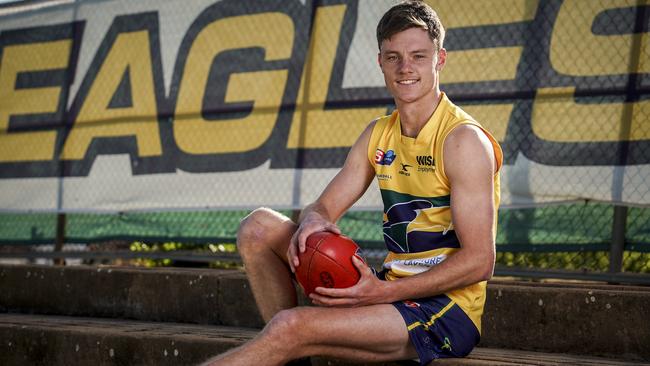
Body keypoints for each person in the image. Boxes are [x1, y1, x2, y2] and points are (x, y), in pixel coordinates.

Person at [202, 1, 502, 365]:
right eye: (393, 57)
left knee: (289, 326)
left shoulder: (463, 140)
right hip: (388, 289)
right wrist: (314, 218)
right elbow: (324, 207)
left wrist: (378, 293)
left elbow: (480, 262)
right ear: (380, 62)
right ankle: (286, 353)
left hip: (446, 311)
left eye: (418, 56)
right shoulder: (379, 133)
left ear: (440, 60)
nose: (405, 68)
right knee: (257, 228)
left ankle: (286, 343)